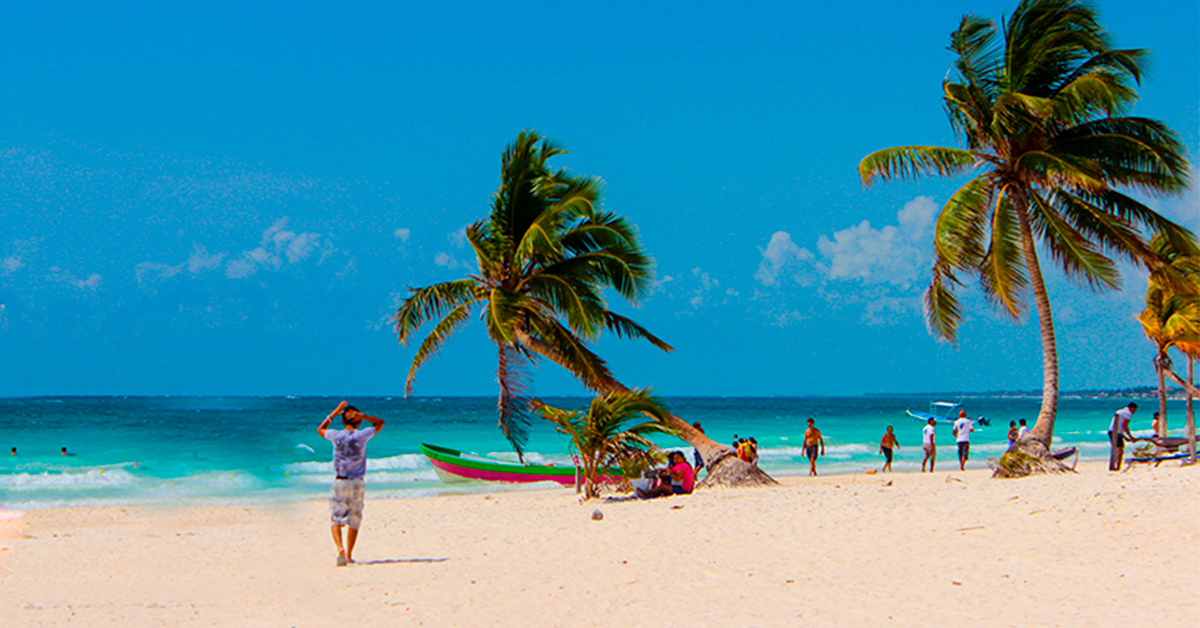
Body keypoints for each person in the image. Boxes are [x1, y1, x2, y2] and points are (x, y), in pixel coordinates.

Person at [318, 400, 385, 566]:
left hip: (340, 481)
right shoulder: (362, 435)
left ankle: (340, 548)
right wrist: (362, 415)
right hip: (357, 482)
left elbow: (320, 429)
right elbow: (380, 423)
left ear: (343, 421)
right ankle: (349, 555)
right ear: (359, 422)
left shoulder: (336, 435)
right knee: (354, 519)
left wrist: (335, 411)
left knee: (336, 518)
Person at [1108, 402, 1137, 472]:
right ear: (1132, 408)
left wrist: (1124, 437)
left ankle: (1114, 465)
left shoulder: (1120, 411)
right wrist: (1131, 437)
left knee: (1115, 449)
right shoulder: (1128, 413)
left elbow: (1119, 426)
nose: (1134, 412)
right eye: (1134, 410)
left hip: (1112, 431)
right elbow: (1124, 426)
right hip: (1117, 433)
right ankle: (1117, 466)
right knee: (1119, 450)